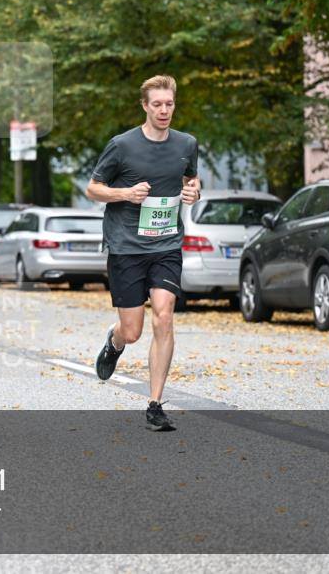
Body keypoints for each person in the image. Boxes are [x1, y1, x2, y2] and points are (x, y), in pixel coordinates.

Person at [86, 75, 201, 432]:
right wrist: (125, 194)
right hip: (126, 247)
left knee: (164, 316)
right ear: (145, 106)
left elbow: (191, 181)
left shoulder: (187, 143)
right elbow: (93, 189)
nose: (164, 110)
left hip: (166, 245)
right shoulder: (122, 145)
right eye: (157, 104)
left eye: (169, 104)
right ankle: (115, 340)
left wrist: (194, 192)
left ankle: (155, 404)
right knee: (133, 331)